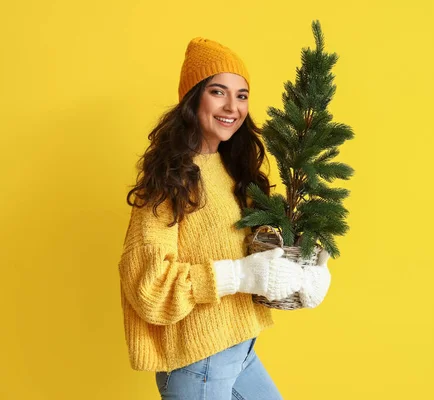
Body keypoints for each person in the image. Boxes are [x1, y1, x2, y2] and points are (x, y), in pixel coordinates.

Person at [117, 37, 332, 400]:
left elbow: (262, 246)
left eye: (242, 95)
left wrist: (307, 270)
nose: (232, 106)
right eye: (218, 92)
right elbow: (148, 286)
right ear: (193, 98)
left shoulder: (232, 168)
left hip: (240, 349)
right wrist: (238, 275)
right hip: (197, 362)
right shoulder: (170, 179)